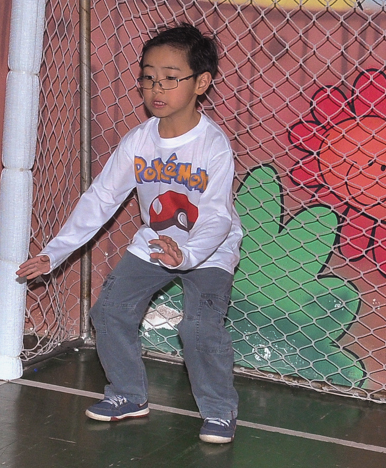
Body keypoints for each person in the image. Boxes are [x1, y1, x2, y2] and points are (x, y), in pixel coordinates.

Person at [18, 24, 243, 445]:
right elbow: (101, 198)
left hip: (209, 250)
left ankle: (218, 410)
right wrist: (55, 253)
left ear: (201, 83)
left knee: (199, 329)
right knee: (109, 312)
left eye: (171, 78)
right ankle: (128, 394)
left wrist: (187, 255)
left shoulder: (213, 145)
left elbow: (217, 217)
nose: (157, 88)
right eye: (148, 77)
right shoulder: (139, 141)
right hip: (156, 242)